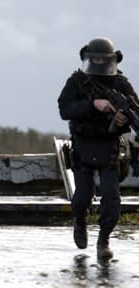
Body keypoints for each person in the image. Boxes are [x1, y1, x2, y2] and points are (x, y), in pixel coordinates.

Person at [58, 37, 138, 260]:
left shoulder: (121, 83)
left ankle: (104, 240)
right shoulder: (77, 81)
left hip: (109, 144)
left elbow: (133, 109)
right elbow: (65, 109)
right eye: (96, 59)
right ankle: (80, 221)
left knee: (111, 197)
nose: (101, 63)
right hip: (83, 144)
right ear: (89, 58)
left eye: (105, 59)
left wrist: (123, 120)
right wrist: (93, 104)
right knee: (82, 196)